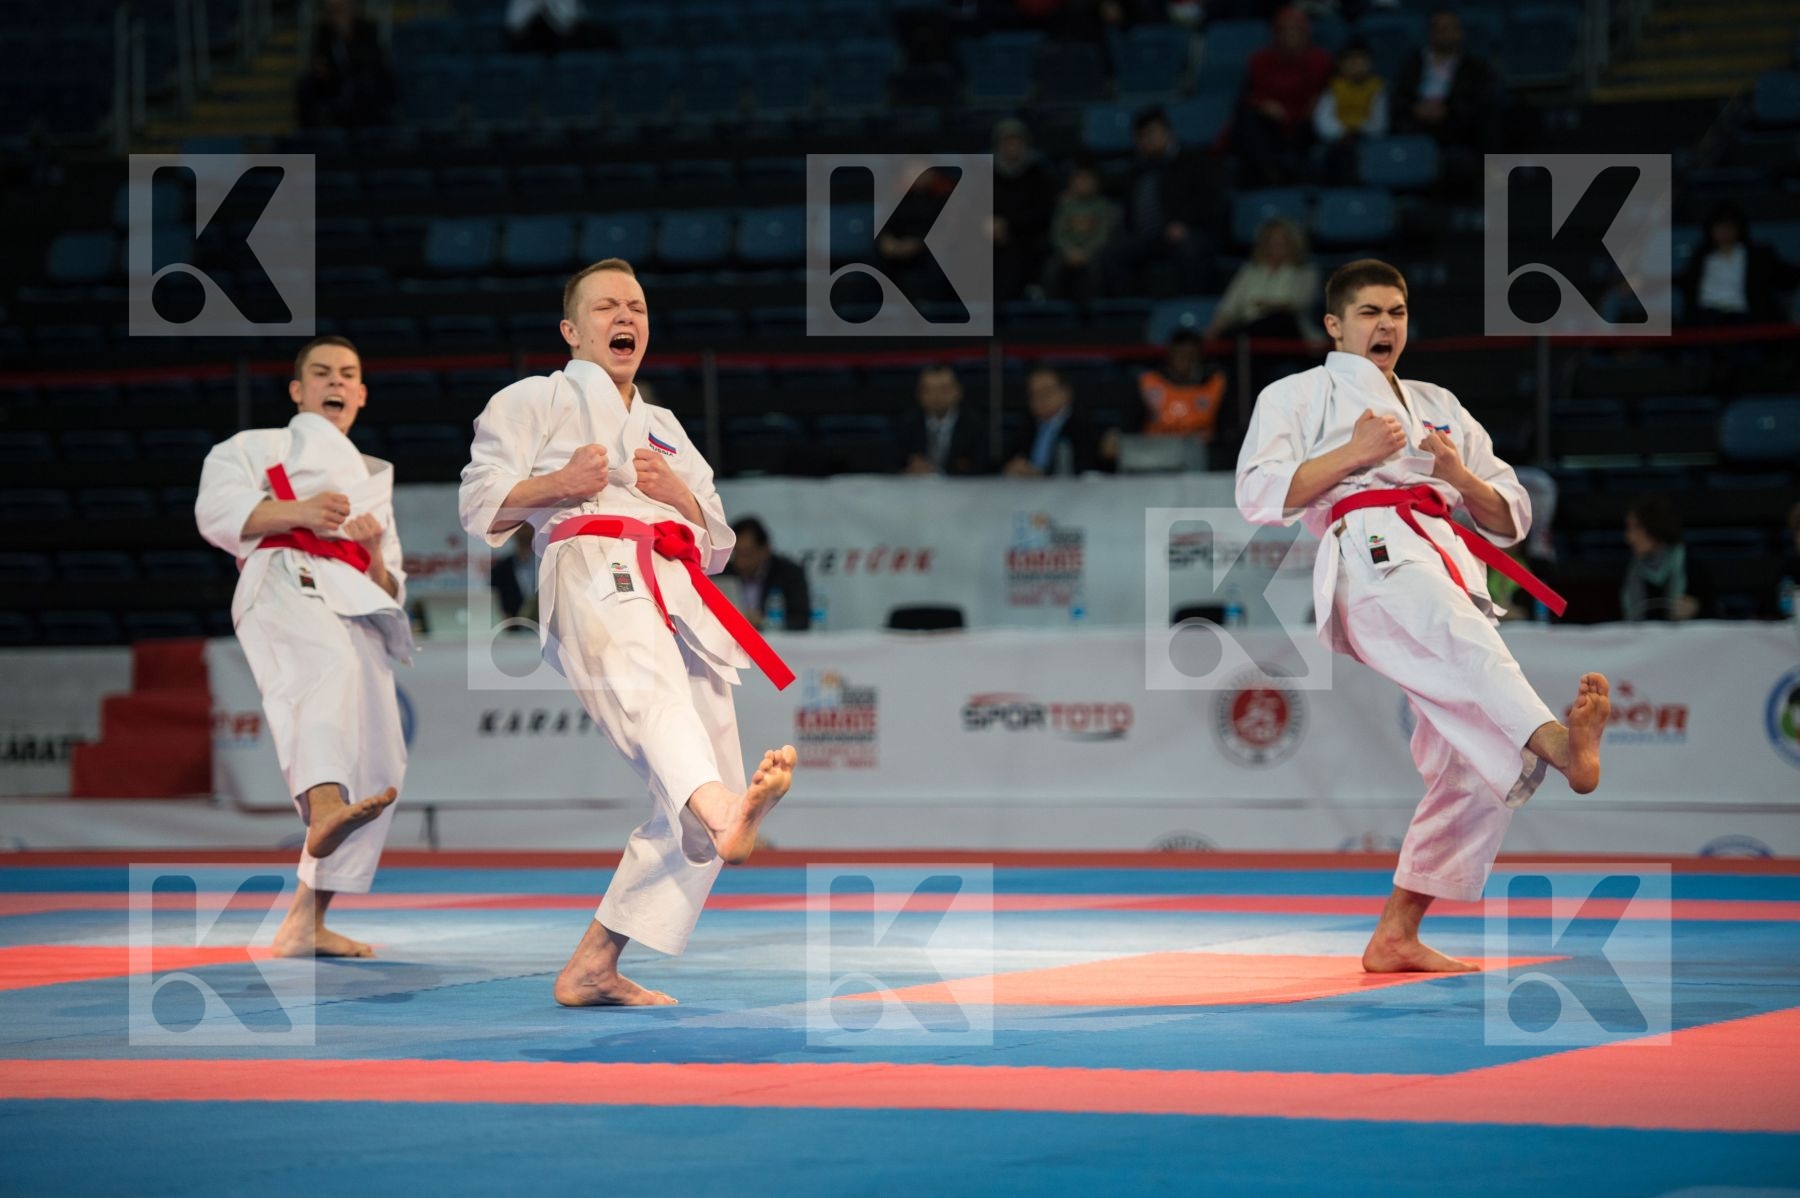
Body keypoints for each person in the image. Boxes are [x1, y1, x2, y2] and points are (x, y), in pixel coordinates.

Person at [1235, 257, 1611, 973]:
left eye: (1398, 313)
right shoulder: (1299, 394)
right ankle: (1557, 743)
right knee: (1458, 636)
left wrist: (1458, 476)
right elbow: (1257, 495)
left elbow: (1512, 516)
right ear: (1334, 325)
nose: (1386, 325)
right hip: (1369, 550)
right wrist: (1352, 455)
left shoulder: (1439, 402)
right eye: (1370, 313)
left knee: (1475, 759)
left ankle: (1397, 933)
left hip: (1447, 554)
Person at [459, 258, 797, 1007]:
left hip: (679, 587)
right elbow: (479, 507)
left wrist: (681, 497)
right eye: (608, 306)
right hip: (591, 563)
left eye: (637, 308)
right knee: (661, 710)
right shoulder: (532, 399)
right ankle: (723, 811)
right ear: (571, 330)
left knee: (703, 793)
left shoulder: (664, 427)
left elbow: (718, 542)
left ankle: (594, 964)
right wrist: (559, 485)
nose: (626, 318)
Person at [195, 336, 408, 958]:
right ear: (297, 390)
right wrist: (299, 511)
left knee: (381, 756)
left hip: (355, 596)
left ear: (361, 394)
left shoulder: (373, 478)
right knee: (324, 668)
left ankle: (305, 921)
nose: (335, 382)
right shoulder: (253, 448)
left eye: (347, 374)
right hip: (285, 575)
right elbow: (215, 514)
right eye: (321, 373)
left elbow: (392, 583)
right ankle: (324, 804)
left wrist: (372, 553)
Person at [1104, 106, 1223, 296]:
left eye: (1152, 133)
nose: (1147, 140)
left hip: (1186, 233)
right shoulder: (1137, 171)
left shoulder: (1193, 162)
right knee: (1113, 252)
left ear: (1168, 132)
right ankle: (1135, 306)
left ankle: (1191, 305)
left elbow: (1210, 202)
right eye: (1141, 136)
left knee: (1189, 247)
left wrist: (1184, 223)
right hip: (1147, 238)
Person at [1391, 8, 1499, 191]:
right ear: (1430, 33)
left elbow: (1478, 99)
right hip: (1416, 124)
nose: (1445, 34)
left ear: (1460, 32)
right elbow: (1399, 95)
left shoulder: (1475, 67)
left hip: (1457, 127)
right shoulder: (1412, 63)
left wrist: (1447, 109)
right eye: (1440, 29)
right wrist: (1417, 108)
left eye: (1450, 28)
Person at [1231, 6, 1334, 186]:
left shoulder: (1322, 61)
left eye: (1296, 31)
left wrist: (1318, 104)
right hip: (1272, 127)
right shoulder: (1259, 61)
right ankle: (1272, 175)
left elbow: (1332, 93)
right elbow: (1245, 98)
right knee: (1247, 119)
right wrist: (1262, 104)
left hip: (1307, 126)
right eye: (1285, 31)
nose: (1290, 36)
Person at [1676, 203, 1800, 327]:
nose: (1724, 232)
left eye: (1729, 227)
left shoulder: (1757, 255)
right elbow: (1686, 281)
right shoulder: (1701, 257)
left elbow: (1783, 275)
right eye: (1720, 227)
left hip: (1745, 316)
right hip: (1706, 317)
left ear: (1738, 229)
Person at [1207, 216, 1325, 344]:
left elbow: (1299, 303)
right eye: (1271, 242)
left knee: (1280, 319)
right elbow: (1229, 306)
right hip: (1251, 330)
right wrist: (1213, 331)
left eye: (1281, 242)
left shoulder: (1307, 272)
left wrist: (1267, 306)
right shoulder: (1250, 271)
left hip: (1291, 334)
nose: (1276, 247)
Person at [296, 0, 395, 130]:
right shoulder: (323, 32)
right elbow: (319, 60)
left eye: (338, 11)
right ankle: (312, 134)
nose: (334, 17)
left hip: (360, 80)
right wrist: (321, 70)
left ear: (350, 9)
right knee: (305, 85)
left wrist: (347, 37)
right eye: (330, 12)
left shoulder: (366, 29)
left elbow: (370, 61)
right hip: (333, 82)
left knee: (365, 85)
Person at [990, 117, 1058, 303]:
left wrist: (1008, 225)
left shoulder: (1040, 175)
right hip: (988, 238)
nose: (1012, 146)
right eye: (1007, 141)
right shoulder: (984, 175)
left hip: (1027, 240)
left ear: (1026, 145)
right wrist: (989, 224)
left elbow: (1044, 213)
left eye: (1017, 141)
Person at [1042, 158, 1121, 303]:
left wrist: (1086, 253)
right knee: (1051, 269)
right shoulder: (1065, 205)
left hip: (1093, 255)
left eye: (1088, 179)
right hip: (1067, 254)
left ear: (1096, 182)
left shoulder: (1104, 206)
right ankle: (1052, 309)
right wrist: (1068, 251)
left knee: (1098, 269)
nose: (1083, 183)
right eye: (1079, 179)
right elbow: (1057, 233)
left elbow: (1103, 235)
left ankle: (1093, 311)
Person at [1003, 365, 1106, 477]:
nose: (1040, 398)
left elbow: (1084, 468)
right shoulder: (1026, 427)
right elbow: (1007, 461)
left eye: (1047, 392)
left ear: (1066, 392)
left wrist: (1040, 474)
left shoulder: (1085, 428)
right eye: (1034, 394)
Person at [1313, 42, 1388, 183]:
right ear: (1341, 65)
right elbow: (1323, 119)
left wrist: (1359, 130)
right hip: (1338, 141)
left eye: (1361, 61)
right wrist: (1341, 132)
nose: (1357, 67)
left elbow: (1379, 122)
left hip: (1367, 139)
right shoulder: (1334, 87)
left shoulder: (1377, 88)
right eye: (1351, 62)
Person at [898, 364, 990, 476]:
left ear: (958, 391)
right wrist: (910, 469)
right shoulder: (906, 424)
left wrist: (941, 472)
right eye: (929, 390)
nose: (936, 396)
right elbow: (892, 463)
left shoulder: (976, 425)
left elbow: (983, 466)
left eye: (944, 389)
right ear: (919, 394)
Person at [1137, 330, 1228, 444]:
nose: (1184, 359)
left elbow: (1225, 429)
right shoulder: (1149, 382)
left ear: (1198, 356)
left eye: (1190, 354)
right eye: (1179, 354)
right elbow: (1133, 425)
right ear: (1170, 354)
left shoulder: (1214, 384)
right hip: (1157, 448)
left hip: (1202, 449)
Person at [726, 517, 812, 631]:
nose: (740, 561)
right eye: (736, 553)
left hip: (774, 640)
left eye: (746, 554)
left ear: (764, 549)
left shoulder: (789, 573)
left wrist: (765, 622)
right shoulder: (723, 572)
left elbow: (800, 619)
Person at [1621, 495, 1698, 621]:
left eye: (1636, 528)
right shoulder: (1632, 569)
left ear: (1654, 528)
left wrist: (1695, 609)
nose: (1629, 538)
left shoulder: (1691, 566)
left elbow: (1714, 615)